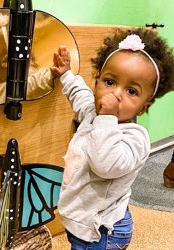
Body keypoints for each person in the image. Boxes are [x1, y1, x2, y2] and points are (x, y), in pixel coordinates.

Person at [50, 28, 174, 249]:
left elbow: (105, 165)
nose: (116, 94)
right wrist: (66, 74)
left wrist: (108, 118)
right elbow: (80, 94)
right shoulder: (92, 111)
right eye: (109, 82)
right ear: (96, 81)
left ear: (144, 107)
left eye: (132, 91)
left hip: (102, 230)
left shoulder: (135, 137)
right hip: (82, 217)